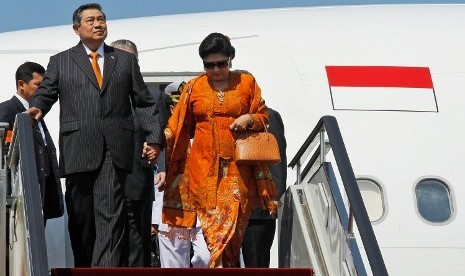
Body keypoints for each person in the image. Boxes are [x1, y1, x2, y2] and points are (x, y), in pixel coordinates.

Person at [26, 3, 164, 267]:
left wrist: (154, 139)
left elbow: (144, 102)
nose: (98, 24)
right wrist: (38, 109)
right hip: (78, 147)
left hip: (115, 149)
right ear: (76, 29)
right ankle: (86, 268)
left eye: (101, 19)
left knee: (111, 219)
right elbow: (46, 92)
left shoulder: (124, 60)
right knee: (82, 220)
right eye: (90, 21)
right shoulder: (61, 60)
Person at [162, 32, 278, 268]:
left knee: (233, 235)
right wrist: (158, 139)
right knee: (213, 235)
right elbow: (178, 124)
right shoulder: (194, 86)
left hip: (239, 170)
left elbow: (263, 115)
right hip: (203, 170)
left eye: (221, 64)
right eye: (209, 65)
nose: (215, 70)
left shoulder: (247, 83)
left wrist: (248, 118)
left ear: (231, 59)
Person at [110, 39, 167, 267]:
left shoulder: (151, 97)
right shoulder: (98, 94)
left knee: (138, 246)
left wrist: (154, 147)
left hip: (138, 181)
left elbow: (160, 134)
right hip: (107, 184)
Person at [151, 81, 210, 268]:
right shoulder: (161, 137)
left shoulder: (209, 133)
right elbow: (153, 177)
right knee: (173, 267)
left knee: (206, 258)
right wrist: (153, 218)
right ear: (171, 107)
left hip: (205, 212)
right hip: (171, 211)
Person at [0, 62, 64, 222]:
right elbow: (5, 153)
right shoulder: (6, 110)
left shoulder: (36, 113)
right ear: (22, 84)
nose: (42, 90)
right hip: (19, 195)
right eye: (38, 85)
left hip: (39, 194)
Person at [241, 107, 287, 267]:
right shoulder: (222, 113)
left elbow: (277, 159)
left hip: (256, 210)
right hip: (227, 208)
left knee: (256, 265)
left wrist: (272, 197)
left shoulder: (268, 115)